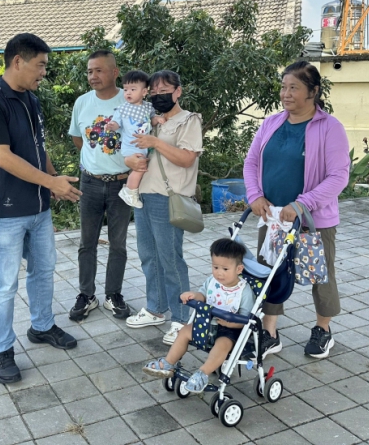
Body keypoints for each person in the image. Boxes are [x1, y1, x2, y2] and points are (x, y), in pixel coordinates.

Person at [0, 33, 82, 384]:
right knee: (4, 284)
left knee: (44, 270)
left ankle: (42, 326)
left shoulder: (30, 99)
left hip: (38, 207)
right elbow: (2, 158)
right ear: (17, 61)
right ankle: (1, 350)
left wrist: (53, 179)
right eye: (41, 65)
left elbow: (36, 147)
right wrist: (50, 183)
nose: (43, 73)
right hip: (5, 211)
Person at [243, 60, 350, 360]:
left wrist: (302, 205)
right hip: (273, 217)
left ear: (313, 92)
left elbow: (338, 176)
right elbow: (252, 163)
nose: (286, 94)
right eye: (283, 87)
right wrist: (254, 195)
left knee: (320, 274)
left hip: (313, 220)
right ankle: (270, 333)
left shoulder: (330, 128)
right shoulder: (271, 123)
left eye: (294, 88)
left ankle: (323, 330)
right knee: (269, 274)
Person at [123, 70, 203, 345]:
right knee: (148, 255)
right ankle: (156, 307)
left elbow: (186, 159)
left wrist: (155, 142)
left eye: (165, 91)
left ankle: (182, 319)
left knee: (170, 259)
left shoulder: (188, 120)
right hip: (143, 195)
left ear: (178, 91)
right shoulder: (146, 118)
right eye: (154, 92)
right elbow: (130, 150)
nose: (159, 96)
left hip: (168, 198)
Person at [67, 51, 132, 321]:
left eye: (99, 71)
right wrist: (96, 162)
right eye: (90, 71)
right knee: (87, 243)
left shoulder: (129, 101)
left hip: (122, 183)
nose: (93, 76)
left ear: (115, 72)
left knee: (118, 243)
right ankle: (87, 295)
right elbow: (77, 138)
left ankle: (113, 295)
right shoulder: (82, 103)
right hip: (90, 182)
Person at [142, 238, 255, 393]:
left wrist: (230, 324)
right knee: (184, 331)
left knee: (222, 346)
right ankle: (169, 363)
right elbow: (202, 295)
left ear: (239, 269)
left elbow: (246, 319)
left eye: (225, 269)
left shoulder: (244, 291)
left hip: (229, 330)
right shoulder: (212, 281)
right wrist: (192, 295)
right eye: (215, 267)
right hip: (207, 323)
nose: (219, 273)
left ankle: (203, 373)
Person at [105, 70, 165, 208]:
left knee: (140, 169)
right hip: (131, 146)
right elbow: (116, 124)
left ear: (144, 92)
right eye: (125, 89)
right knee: (139, 169)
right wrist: (111, 126)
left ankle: (131, 190)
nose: (128, 93)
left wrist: (158, 119)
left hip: (143, 146)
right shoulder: (122, 109)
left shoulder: (147, 107)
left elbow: (151, 120)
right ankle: (129, 192)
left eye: (133, 89)